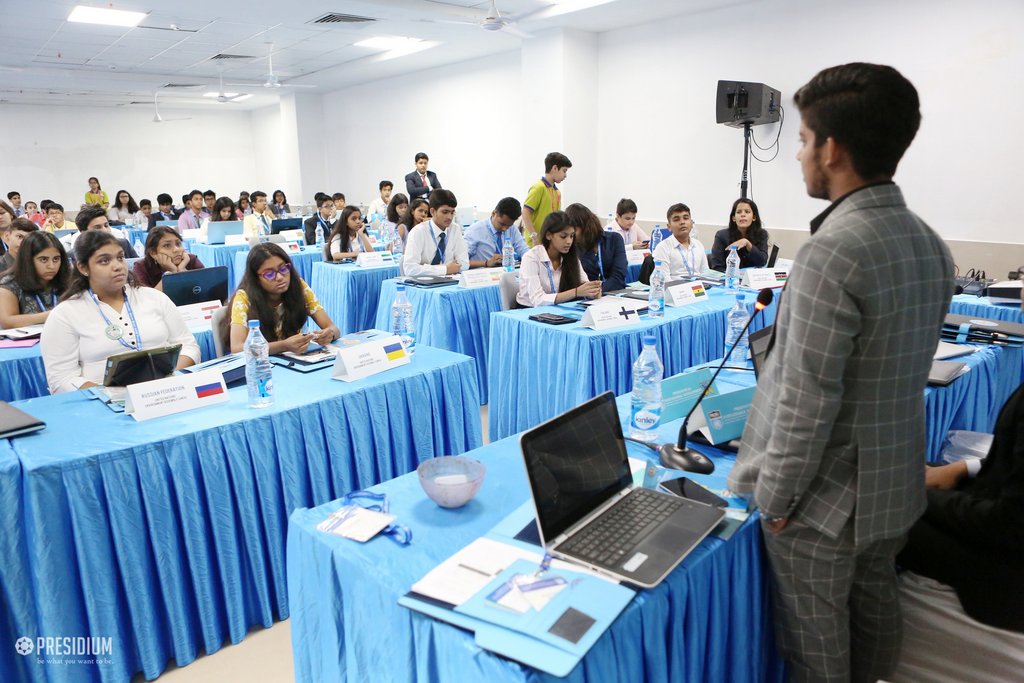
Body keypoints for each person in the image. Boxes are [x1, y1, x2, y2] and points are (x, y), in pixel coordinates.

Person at [726, 63, 955, 683]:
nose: (800, 154)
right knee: (876, 621)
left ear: (830, 149)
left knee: (818, 655)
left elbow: (807, 399)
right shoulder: (929, 241)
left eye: (801, 140)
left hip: (823, 504)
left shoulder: (833, 250)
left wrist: (774, 500)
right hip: (892, 485)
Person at [896, 381, 1024, 633]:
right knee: (897, 474)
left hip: (1003, 574)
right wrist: (962, 467)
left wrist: (913, 493)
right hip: (1000, 515)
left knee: (866, 510)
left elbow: (1008, 524)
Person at [40, 230, 200, 393]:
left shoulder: (154, 298)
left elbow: (189, 346)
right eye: (104, 261)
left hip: (166, 391)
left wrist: (166, 379)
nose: (117, 266)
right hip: (102, 403)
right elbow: (61, 380)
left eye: (120, 257)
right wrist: (112, 394)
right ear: (82, 268)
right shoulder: (65, 314)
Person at [224, 243, 338, 354]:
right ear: (256, 279)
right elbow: (237, 348)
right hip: (260, 364)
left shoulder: (299, 287)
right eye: (269, 274)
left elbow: (333, 328)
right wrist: (284, 346)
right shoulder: (244, 297)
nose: (279, 277)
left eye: (283, 269)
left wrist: (330, 334)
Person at [516, 211, 602, 307]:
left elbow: (583, 285)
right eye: (563, 236)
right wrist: (576, 292)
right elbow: (538, 300)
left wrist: (593, 291)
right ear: (548, 235)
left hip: (559, 308)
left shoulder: (571, 257)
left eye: (572, 236)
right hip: (528, 310)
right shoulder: (531, 258)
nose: (569, 241)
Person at [0, 231, 71, 328]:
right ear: (28, 259)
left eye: (56, 259)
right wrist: (52, 315)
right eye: (43, 259)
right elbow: (8, 322)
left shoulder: (68, 280)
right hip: (26, 342)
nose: (51, 266)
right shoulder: (9, 284)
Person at [402, 189, 468, 276]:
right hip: (424, 286)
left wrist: (444, 270)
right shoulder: (418, 232)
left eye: (452, 212)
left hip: (449, 282)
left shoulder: (455, 229)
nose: (449, 217)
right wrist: (445, 269)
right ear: (432, 211)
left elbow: (464, 264)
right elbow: (410, 269)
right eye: (445, 212)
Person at [565, 202, 627, 292]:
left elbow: (618, 277)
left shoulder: (615, 239)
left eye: (573, 232)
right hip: (587, 298)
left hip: (614, 293)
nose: (571, 238)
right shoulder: (573, 248)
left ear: (584, 227)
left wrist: (597, 291)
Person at [522, 152, 572, 248]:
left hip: (549, 242)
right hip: (535, 244)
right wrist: (534, 237)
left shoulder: (557, 192)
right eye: (564, 171)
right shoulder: (539, 188)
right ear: (555, 168)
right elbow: (525, 212)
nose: (565, 175)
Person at [133, 227, 205, 290]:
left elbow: (205, 289)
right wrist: (171, 273)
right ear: (153, 253)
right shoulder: (141, 267)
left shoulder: (191, 259)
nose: (176, 249)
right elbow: (146, 300)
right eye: (167, 245)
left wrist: (182, 270)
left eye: (178, 244)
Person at [464, 197, 526, 269]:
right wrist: (486, 263)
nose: (504, 229)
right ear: (494, 213)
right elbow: (461, 262)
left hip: (504, 273)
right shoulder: (475, 231)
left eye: (508, 225)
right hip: (481, 275)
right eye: (502, 224)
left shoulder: (512, 229)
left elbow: (523, 250)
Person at [709, 198, 770, 271]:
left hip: (751, 279)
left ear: (754, 217)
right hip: (729, 279)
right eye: (739, 212)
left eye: (747, 212)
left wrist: (748, 244)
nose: (743, 215)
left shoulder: (761, 234)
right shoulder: (721, 235)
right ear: (734, 218)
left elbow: (762, 261)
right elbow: (717, 267)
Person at [653, 203, 708, 278]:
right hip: (675, 288)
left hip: (698, 288)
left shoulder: (698, 245)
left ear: (692, 223)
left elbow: (706, 274)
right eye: (676, 219)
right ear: (669, 227)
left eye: (686, 218)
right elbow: (664, 281)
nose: (682, 222)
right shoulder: (663, 248)